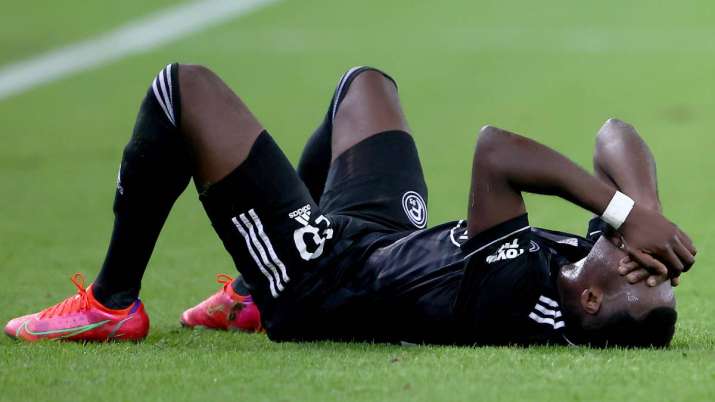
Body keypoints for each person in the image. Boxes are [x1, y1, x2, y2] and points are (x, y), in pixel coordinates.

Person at [4, 64, 696, 346]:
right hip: (384, 242)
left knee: (180, 89)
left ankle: (111, 302)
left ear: (590, 304)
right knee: (363, 85)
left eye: (645, 277)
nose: (647, 262)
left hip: (325, 282)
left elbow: (495, 151)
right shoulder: (591, 265)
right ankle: (247, 291)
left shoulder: (518, 295)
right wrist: (644, 211)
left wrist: (623, 212)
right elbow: (616, 132)